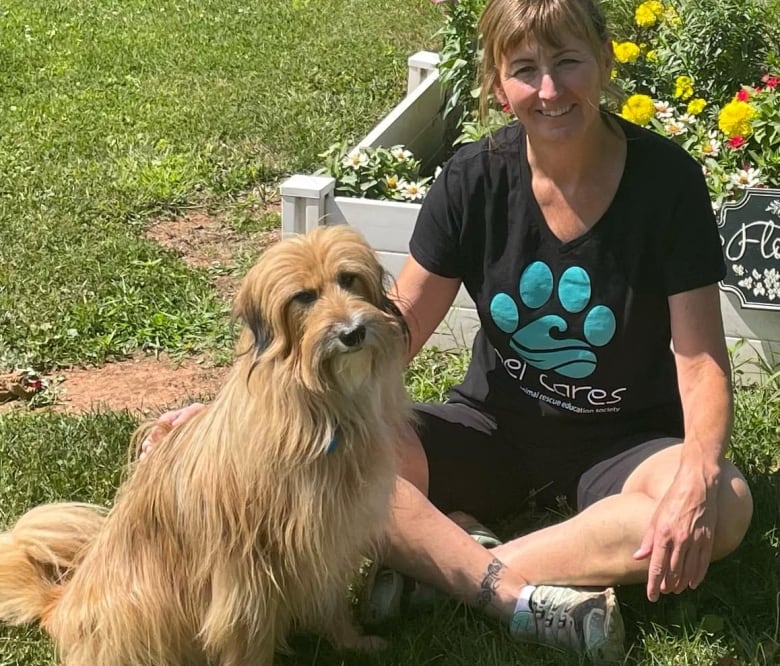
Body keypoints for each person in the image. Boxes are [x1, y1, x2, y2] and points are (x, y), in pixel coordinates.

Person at [142, 0, 754, 661]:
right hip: (490, 427)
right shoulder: (473, 179)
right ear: (497, 83)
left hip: (626, 441)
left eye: (568, 62)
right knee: (336, 464)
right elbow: (391, 332)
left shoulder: (668, 183)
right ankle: (514, 583)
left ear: (604, 61)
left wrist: (694, 476)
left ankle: (460, 571)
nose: (549, 90)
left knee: (728, 505)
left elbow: (700, 364)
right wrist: (233, 414)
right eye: (525, 69)